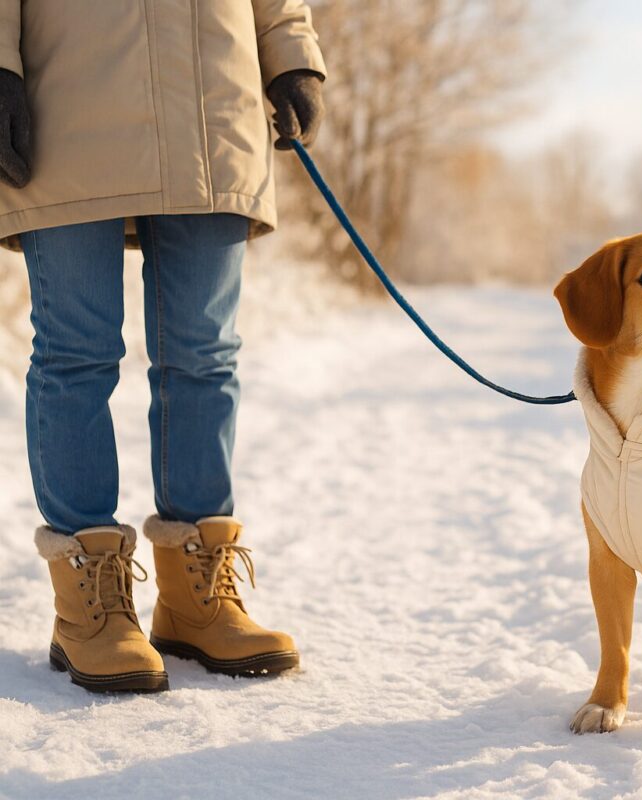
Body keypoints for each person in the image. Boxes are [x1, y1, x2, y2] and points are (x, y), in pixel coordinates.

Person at [0, 1, 326, 692]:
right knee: (76, 352)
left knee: (205, 354)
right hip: (69, 92)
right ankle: (88, 602)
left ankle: (193, 599)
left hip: (213, 101)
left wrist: (292, 53)